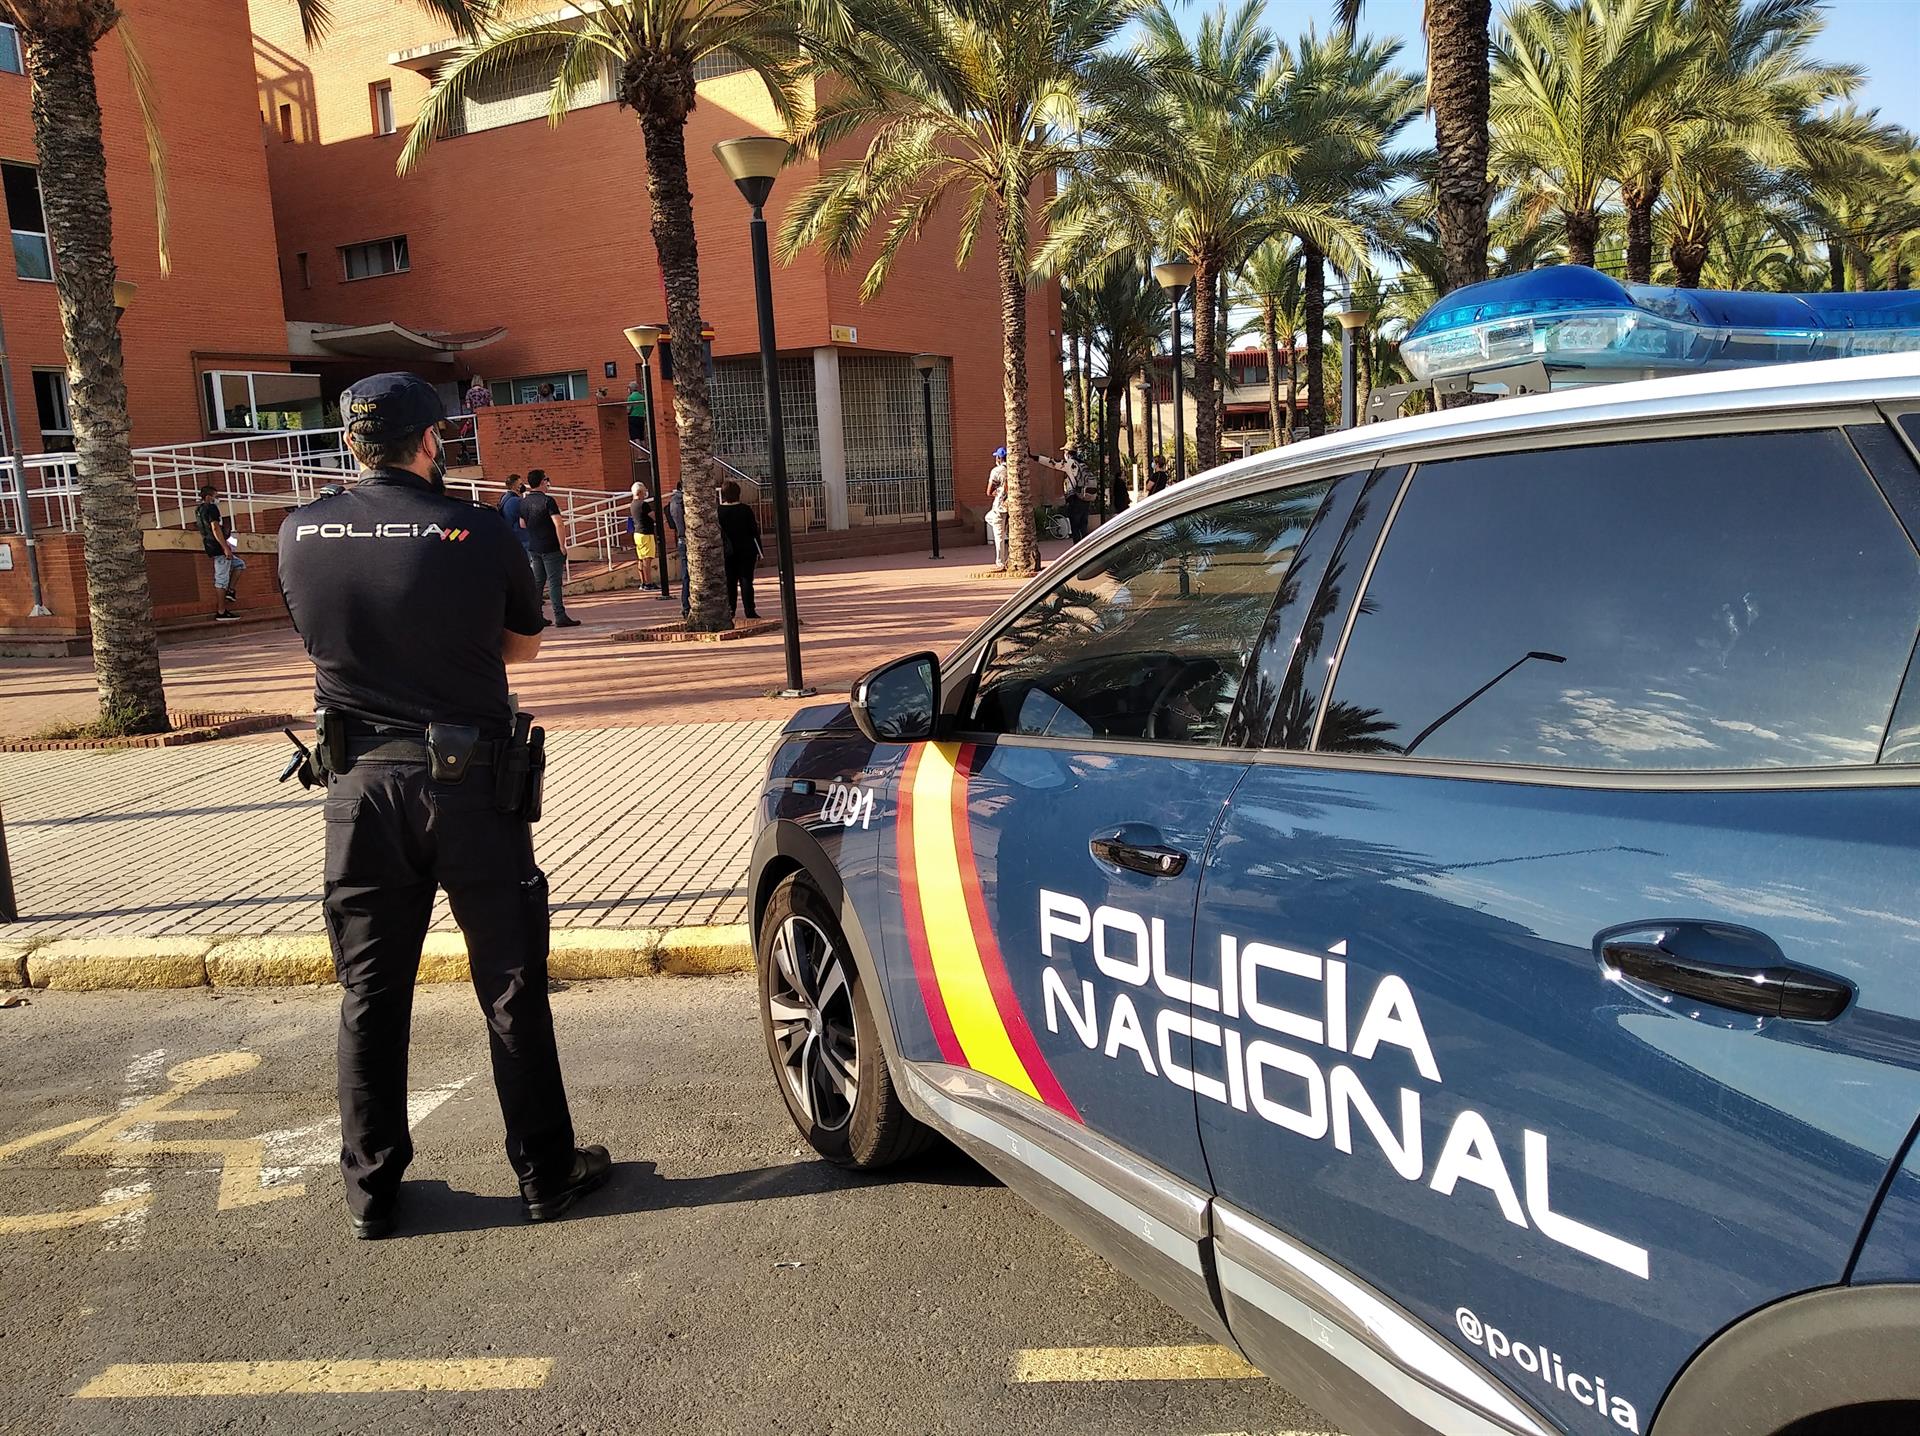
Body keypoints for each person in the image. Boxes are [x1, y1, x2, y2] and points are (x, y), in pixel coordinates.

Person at [275, 372, 610, 1240]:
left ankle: (372, 1189)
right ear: (432, 442)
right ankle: (544, 1172)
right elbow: (522, 650)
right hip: (470, 789)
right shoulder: (480, 528)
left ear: (351, 444)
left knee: (369, 992)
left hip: (357, 795)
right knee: (509, 986)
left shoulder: (299, 533)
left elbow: (320, 635)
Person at [518, 470, 579, 627]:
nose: (548, 482)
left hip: (534, 546)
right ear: (542, 482)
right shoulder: (548, 501)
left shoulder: (524, 502)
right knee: (554, 582)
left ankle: (537, 615)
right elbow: (558, 523)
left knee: (538, 582)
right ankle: (560, 615)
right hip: (550, 547)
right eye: (546, 479)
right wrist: (562, 545)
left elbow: (522, 524)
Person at [195, 482, 244, 621]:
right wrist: (225, 547)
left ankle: (230, 591)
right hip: (218, 548)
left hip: (210, 544)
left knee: (239, 565)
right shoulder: (212, 508)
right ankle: (221, 611)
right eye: (215, 496)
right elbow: (215, 527)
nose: (217, 499)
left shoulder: (198, 510)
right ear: (209, 497)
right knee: (221, 579)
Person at [717, 479, 762, 621]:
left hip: (727, 552)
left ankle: (731, 610)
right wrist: (759, 550)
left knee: (730, 582)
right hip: (747, 550)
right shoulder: (745, 510)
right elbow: (754, 531)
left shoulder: (718, 511)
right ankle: (750, 610)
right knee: (747, 580)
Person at [1036, 448, 1090, 543]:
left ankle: (1078, 550)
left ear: (1067, 453)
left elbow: (1052, 463)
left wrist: (1035, 457)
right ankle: (1088, 549)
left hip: (1075, 500)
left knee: (1075, 528)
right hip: (1085, 499)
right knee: (1083, 528)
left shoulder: (1070, 463)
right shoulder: (1083, 464)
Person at [666, 476, 689, 617]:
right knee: (689, 575)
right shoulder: (683, 501)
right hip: (688, 538)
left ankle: (686, 605)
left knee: (686, 574)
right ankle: (687, 605)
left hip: (681, 538)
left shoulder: (672, 502)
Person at [628, 481, 657, 587]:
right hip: (646, 533)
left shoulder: (632, 504)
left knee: (641, 558)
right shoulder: (643, 504)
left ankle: (643, 582)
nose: (645, 492)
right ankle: (648, 583)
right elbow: (653, 516)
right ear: (640, 492)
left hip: (637, 534)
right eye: (644, 490)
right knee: (647, 559)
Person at [984, 446, 1009, 569]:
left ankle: (1000, 562)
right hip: (1012, 506)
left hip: (1000, 506)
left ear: (999, 458)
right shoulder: (1014, 468)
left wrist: (998, 492)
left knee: (998, 536)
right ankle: (1006, 533)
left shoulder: (996, 471)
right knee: (988, 518)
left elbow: (989, 491)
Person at [625, 380, 648, 447]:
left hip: (633, 417)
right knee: (642, 437)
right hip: (641, 417)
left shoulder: (631, 397)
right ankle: (646, 454)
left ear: (630, 389)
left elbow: (629, 409)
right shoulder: (641, 396)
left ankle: (640, 455)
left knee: (636, 437)